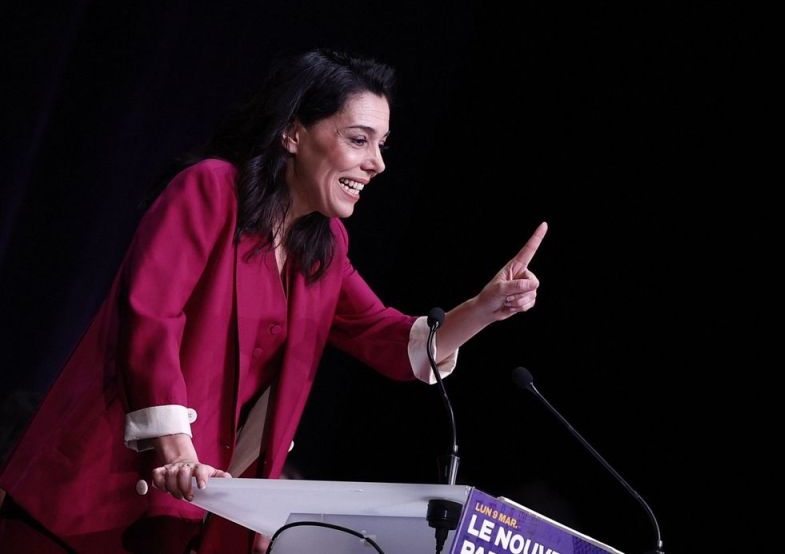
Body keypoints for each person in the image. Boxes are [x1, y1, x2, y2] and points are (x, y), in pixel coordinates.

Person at [0, 49, 546, 553]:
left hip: (189, 512)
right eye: (359, 140)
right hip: (95, 494)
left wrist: (482, 308)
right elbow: (150, 319)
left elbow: (387, 338)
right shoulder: (210, 190)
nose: (377, 163)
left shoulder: (325, 247)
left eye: (382, 145)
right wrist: (175, 449)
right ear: (292, 132)